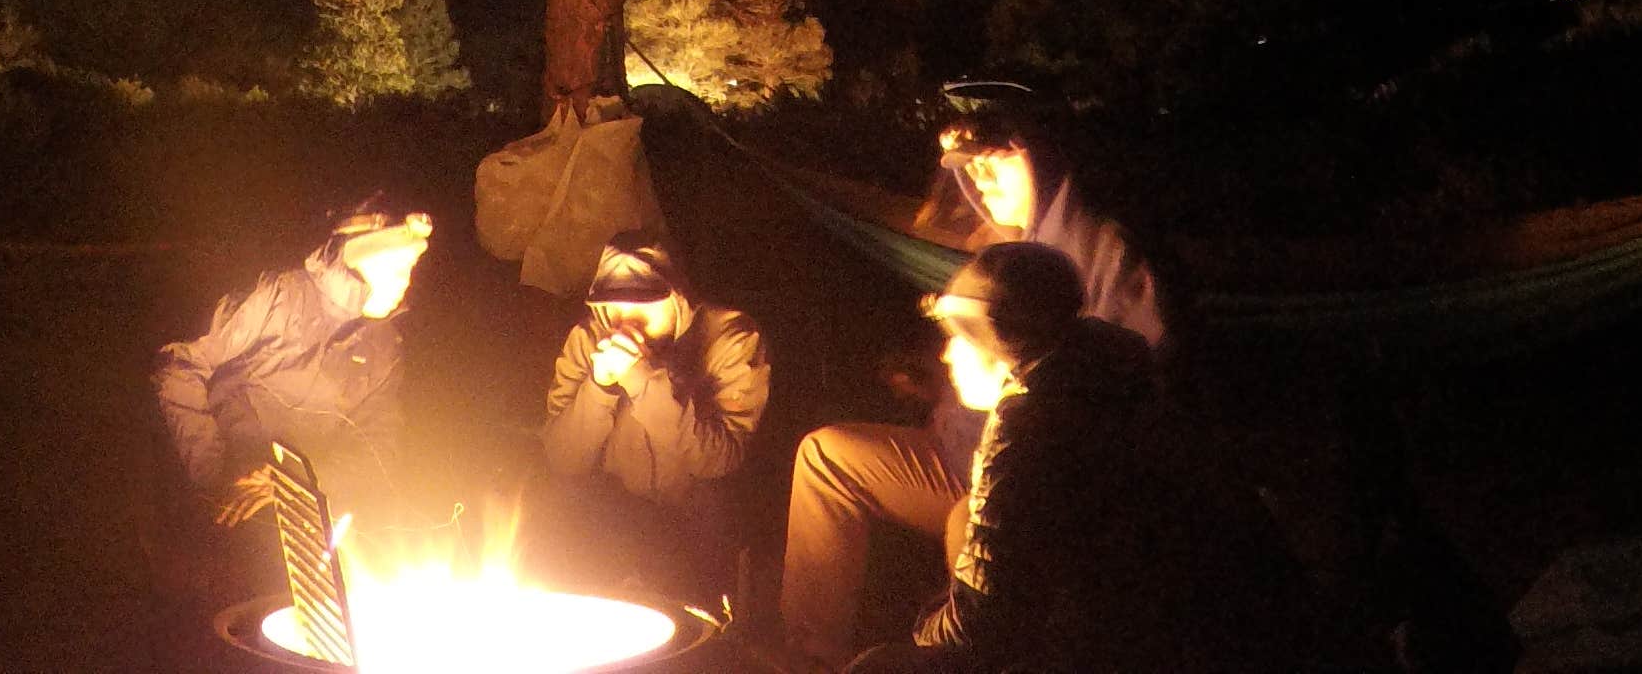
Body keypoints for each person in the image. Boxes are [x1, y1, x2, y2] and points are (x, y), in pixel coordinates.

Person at [780, 91, 1167, 670]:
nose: (981, 179)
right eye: (968, 167)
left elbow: (1127, 386)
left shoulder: (1106, 252)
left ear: (1042, 155)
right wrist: (937, 385)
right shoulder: (994, 244)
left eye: (995, 158)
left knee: (970, 527)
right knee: (828, 456)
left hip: (1047, 475)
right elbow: (980, 350)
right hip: (964, 447)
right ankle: (809, 658)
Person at [844, 241, 1301, 674]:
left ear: (1002, 347)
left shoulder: (1031, 426)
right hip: (1245, 616)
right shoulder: (1098, 363)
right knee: (965, 520)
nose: (946, 354)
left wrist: (912, 639)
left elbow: (979, 629)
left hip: (1165, 648)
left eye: (960, 338)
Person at [151, 196, 433, 534]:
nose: (404, 282)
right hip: (218, 501)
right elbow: (180, 365)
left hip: (302, 516)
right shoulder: (279, 297)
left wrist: (296, 485)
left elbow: (379, 450)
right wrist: (217, 475)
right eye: (393, 267)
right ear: (352, 257)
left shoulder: (384, 346)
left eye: (409, 269)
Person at [530, 233, 775, 606]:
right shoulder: (587, 340)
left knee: (715, 504)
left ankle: (710, 630)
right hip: (619, 509)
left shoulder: (732, 339)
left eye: (643, 304)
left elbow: (717, 461)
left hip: (693, 513)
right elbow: (563, 461)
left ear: (674, 297)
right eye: (614, 305)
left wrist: (640, 378)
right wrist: (600, 387)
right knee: (553, 502)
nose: (626, 321)